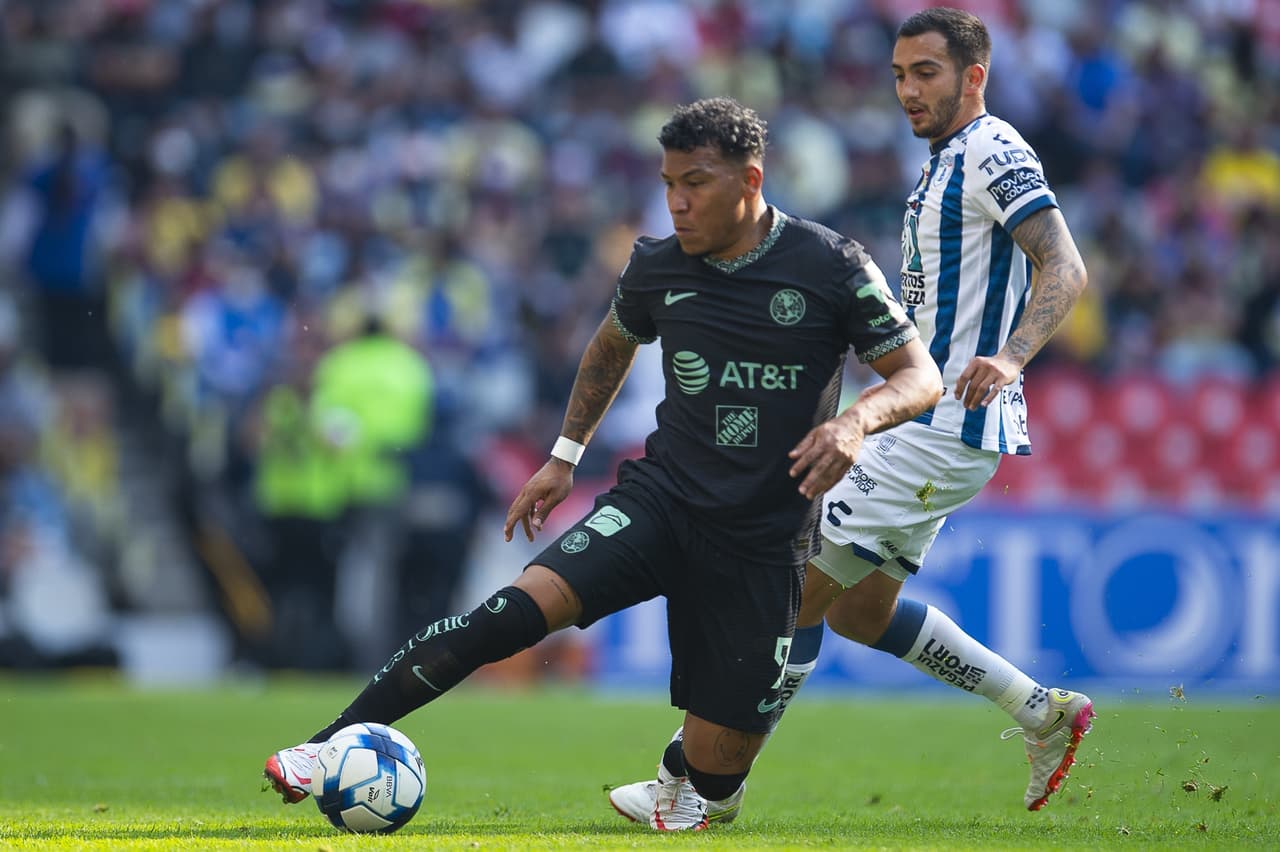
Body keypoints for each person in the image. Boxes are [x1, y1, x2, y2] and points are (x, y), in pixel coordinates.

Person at [262, 97, 943, 827]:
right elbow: (612, 345)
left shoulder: (831, 265)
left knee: (716, 782)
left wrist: (854, 423)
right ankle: (323, 747)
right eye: (668, 183)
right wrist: (563, 457)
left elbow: (921, 378)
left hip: (762, 540)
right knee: (507, 616)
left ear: (751, 180)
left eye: (696, 183)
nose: (677, 203)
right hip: (661, 503)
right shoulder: (657, 264)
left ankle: (697, 779)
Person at [608, 7, 1092, 828]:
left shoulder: (992, 150)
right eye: (900, 74)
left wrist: (1010, 358)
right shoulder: (945, 162)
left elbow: (1065, 264)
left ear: (974, 76)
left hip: (941, 421)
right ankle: (1041, 709)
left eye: (926, 74)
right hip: (934, 426)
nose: (908, 90)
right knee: (859, 608)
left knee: (789, 586)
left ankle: (697, 783)